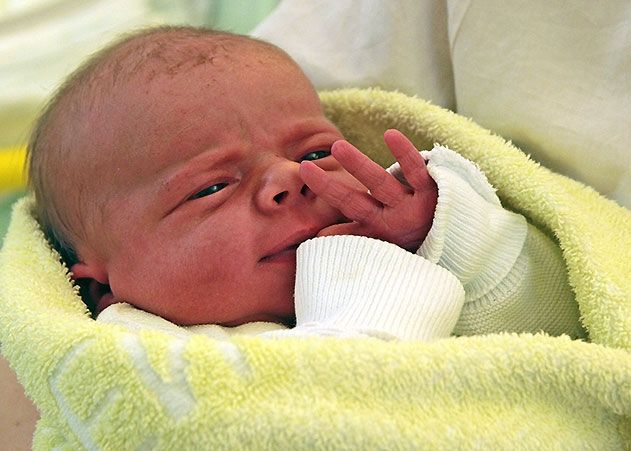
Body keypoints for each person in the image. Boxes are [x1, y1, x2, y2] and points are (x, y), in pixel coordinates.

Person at [27, 26, 584, 341]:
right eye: (210, 188)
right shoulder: (132, 351)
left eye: (316, 152)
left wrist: (446, 241)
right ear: (103, 290)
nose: (293, 180)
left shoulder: (408, 261)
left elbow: (554, 327)